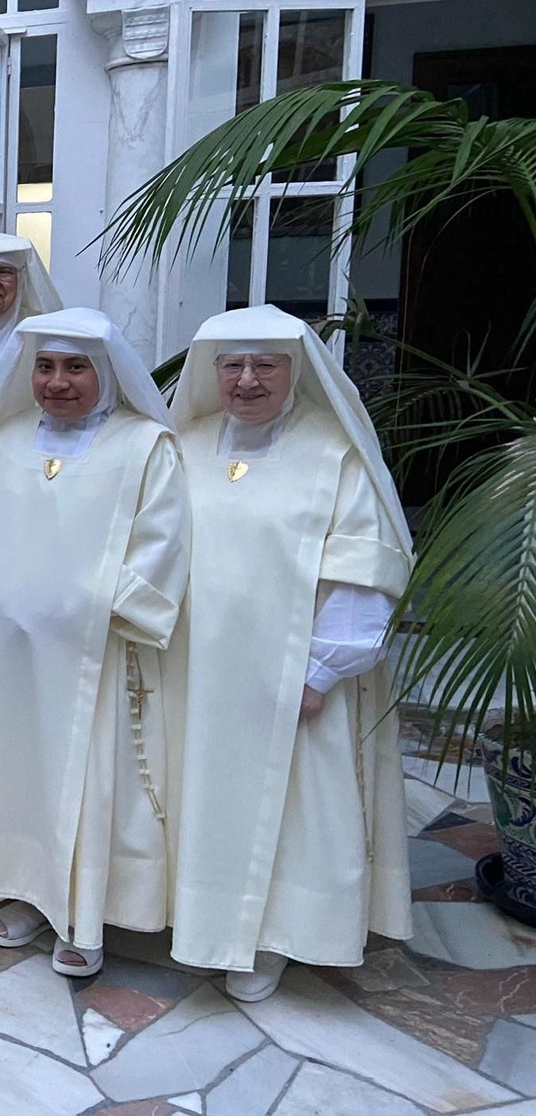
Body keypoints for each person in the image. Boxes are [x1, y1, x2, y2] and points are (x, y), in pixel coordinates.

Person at [0, 309, 190, 977]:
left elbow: (161, 545)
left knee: (89, 785)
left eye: (76, 368)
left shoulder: (145, 447)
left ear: (108, 373)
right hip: (7, 653)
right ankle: (24, 891)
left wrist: (80, 606)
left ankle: (84, 913)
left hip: (94, 654)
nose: (57, 382)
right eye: (44, 366)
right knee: (14, 772)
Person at [167, 307, 412, 1002]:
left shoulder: (335, 454)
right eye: (233, 365)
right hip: (193, 671)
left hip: (294, 675)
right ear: (212, 371)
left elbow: (365, 569)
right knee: (200, 795)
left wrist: (322, 669)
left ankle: (273, 936)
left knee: (295, 809)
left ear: (294, 370)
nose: (247, 380)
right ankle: (200, 921)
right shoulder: (182, 445)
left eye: (265, 365)